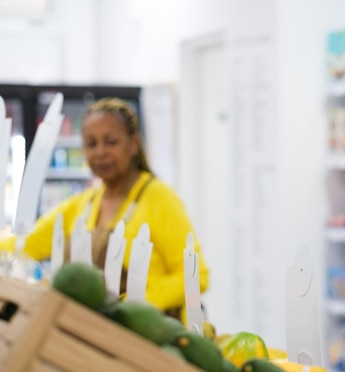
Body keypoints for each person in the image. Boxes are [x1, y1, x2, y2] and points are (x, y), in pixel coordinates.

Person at [0, 97, 209, 320]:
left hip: (147, 333)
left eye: (110, 142)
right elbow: (26, 244)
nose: (100, 152)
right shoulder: (82, 204)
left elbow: (196, 277)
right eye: (91, 143)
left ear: (133, 144)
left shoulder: (158, 197)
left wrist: (136, 302)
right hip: (96, 333)